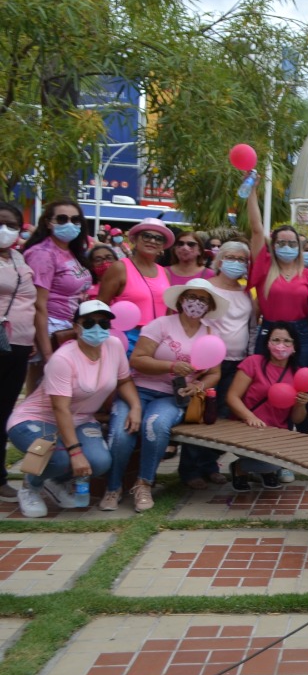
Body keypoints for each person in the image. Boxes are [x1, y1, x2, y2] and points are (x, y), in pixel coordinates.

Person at [6, 301, 139, 517]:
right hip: (37, 419)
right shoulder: (63, 359)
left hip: (83, 420)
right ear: (76, 326)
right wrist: (76, 452)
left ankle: (54, 481)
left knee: (100, 462)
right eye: (88, 323)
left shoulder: (114, 346)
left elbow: (124, 381)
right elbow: (60, 409)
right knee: (61, 459)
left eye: (103, 323)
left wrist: (135, 407)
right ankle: (30, 486)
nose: (97, 329)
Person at [105, 279, 227, 511]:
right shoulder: (160, 324)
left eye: (203, 299)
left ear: (209, 306)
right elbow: (137, 360)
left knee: (156, 426)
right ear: (181, 299)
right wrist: (169, 367)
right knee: (122, 431)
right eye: (192, 297)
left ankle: (144, 484)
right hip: (139, 390)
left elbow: (214, 373)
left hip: (173, 397)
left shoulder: (212, 333)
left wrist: (198, 386)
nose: (196, 303)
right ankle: (113, 487)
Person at [184, 240, 256, 489]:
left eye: (241, 259)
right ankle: (191, 470)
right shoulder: (207, 288)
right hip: (208, 361)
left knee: (221, 416)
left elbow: (251, 325)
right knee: (199, 413)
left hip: (238, 361)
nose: (236, 263)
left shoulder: (247, 291)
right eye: (231, 258)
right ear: (219, 259)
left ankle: (210, 465)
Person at [224, 322, 308, 490]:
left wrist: (301, 405)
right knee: (270, 463)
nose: (281, 345)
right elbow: (232, 397)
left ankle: (248, 467)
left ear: (294, 347)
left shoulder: (299, 374)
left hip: (277, 433)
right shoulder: (253, 362)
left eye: (287, 341)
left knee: (282, 461)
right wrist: (250, 418)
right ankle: (243, 469)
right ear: (267, 343)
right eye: (276, 339)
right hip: (246, 428)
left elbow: (296, 418)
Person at [245, 186, 308, 395]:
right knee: (262, 382)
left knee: (300, 386)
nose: (287, 246)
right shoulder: (264, 265)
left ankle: (297, 427)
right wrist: (252, 192)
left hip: (301, 333)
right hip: (269, 330)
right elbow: (256, 229)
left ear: (299, 246)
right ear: (273, 245)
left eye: (292, 243)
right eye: (282, 242)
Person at [22, 199, 92, 389]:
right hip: (50, 331)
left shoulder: (72, 252)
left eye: (75, 220)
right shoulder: (42, 254)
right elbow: (38, 305)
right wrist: (47, 353)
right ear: (48, 222)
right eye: (62, 219)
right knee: (43, 393)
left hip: (70, 329)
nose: (69, 224)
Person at [0, 202, 37, 501]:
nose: (6, 230)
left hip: (20, 344)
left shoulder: (17, 258)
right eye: (1, 223)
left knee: (4, 410)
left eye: (13, 225)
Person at [97, 218, 174, 355]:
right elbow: (100, 306)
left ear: (163, 246)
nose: (152, 241)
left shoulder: (165, 272)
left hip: (158, 341)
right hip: (127, 339)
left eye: (158, 238)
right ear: (135, 240)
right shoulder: (120, 267)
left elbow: (168, 311)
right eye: (146, 236)